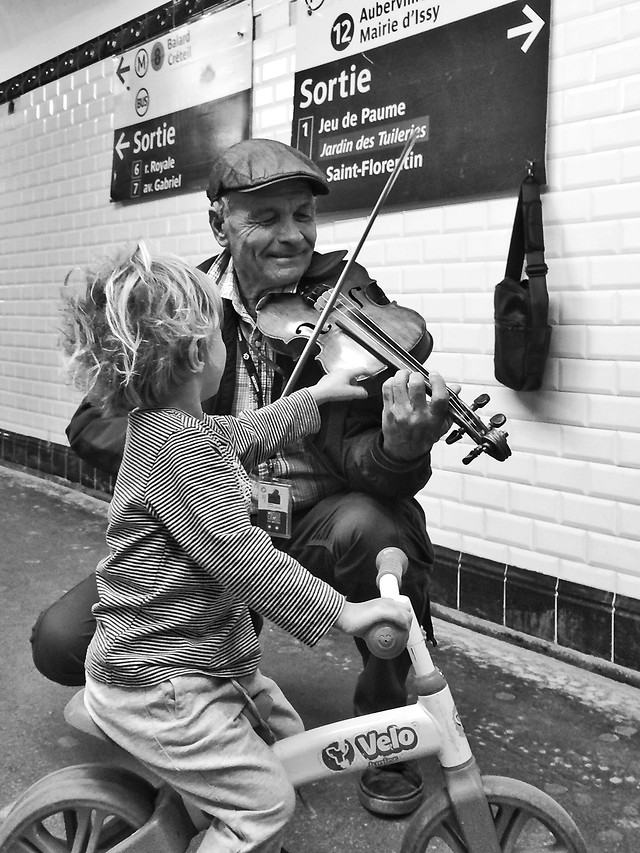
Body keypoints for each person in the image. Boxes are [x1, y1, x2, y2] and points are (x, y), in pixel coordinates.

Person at [31, 139, 454, 816]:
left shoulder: (347, 299)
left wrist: (402, 442)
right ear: (219, 222)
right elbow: (93, 423)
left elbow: (372, 469)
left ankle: (387, 732)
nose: (292, 236)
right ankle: (176, 729)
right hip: (213, 531)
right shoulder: (182, 306)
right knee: (59, 640)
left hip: (315, 520)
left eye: (303, 216)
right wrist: (180, 463)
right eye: (266, 218)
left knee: (383, 533)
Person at [58, 240, 412, 853]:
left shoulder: (174, 428)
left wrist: (317, 395)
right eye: (221, 336)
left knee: (288, 739)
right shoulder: (174, 452)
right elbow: (248, 564)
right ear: (201, 353)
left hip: (209, 661)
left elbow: (246, 430)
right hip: (162, 683)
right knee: (266, 806)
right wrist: (347, 613)